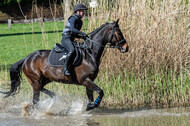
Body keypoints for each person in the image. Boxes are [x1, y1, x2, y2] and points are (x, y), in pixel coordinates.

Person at [61, 3, 88, 76]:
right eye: (82, 11)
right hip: (66, 38)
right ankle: (65, 69)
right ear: (77, 11)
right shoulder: (73, 18)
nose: (84, 13)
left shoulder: (80, 21)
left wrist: (83, 37)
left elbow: (75, 34)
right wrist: (82, 33)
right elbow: (73, 29)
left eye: (84, 11)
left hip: (71, 39)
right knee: (72, 50)